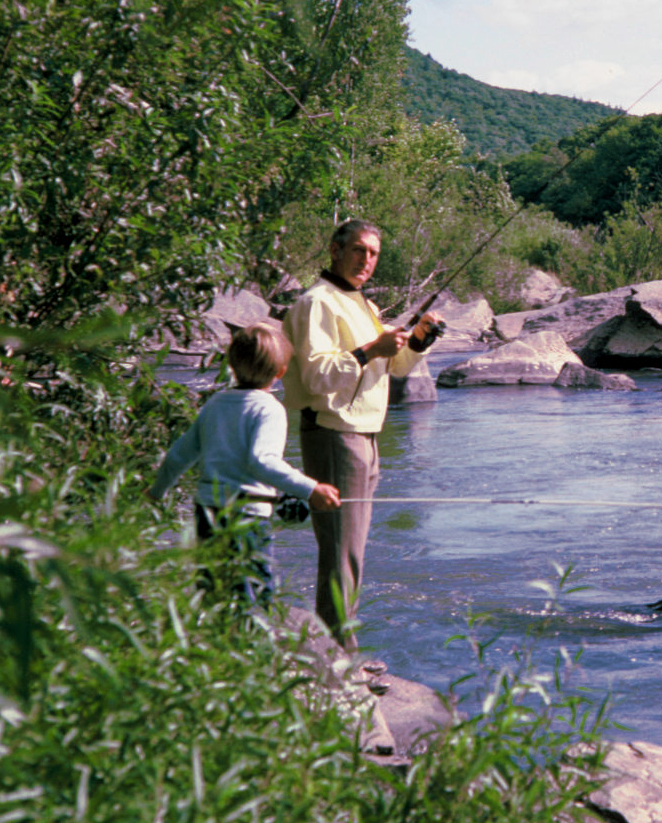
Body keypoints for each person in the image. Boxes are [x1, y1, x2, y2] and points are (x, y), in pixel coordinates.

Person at [281, 219, 443, 648]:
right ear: (335, 251)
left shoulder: (362, 304)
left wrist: (418, 341)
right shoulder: (317, 303)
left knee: (351, 552)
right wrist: (371, 348)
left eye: (373, 253)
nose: (366, 260)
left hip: (364, 434)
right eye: (358, 250)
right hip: (335, 433)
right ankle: (339, 658)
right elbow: (316, 376)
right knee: (341, 555)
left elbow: (392, 368)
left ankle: (336, 650)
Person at [149, 323, 341, 604]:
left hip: (208, 513)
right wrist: (311, 489)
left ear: (232, 365)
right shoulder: (269, 408)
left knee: (212, 591)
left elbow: (180, 454)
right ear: (280, 372)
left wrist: (156, 491)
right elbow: (262, 461)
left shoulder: (215, 403)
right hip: (246, 516)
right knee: (254, 594)